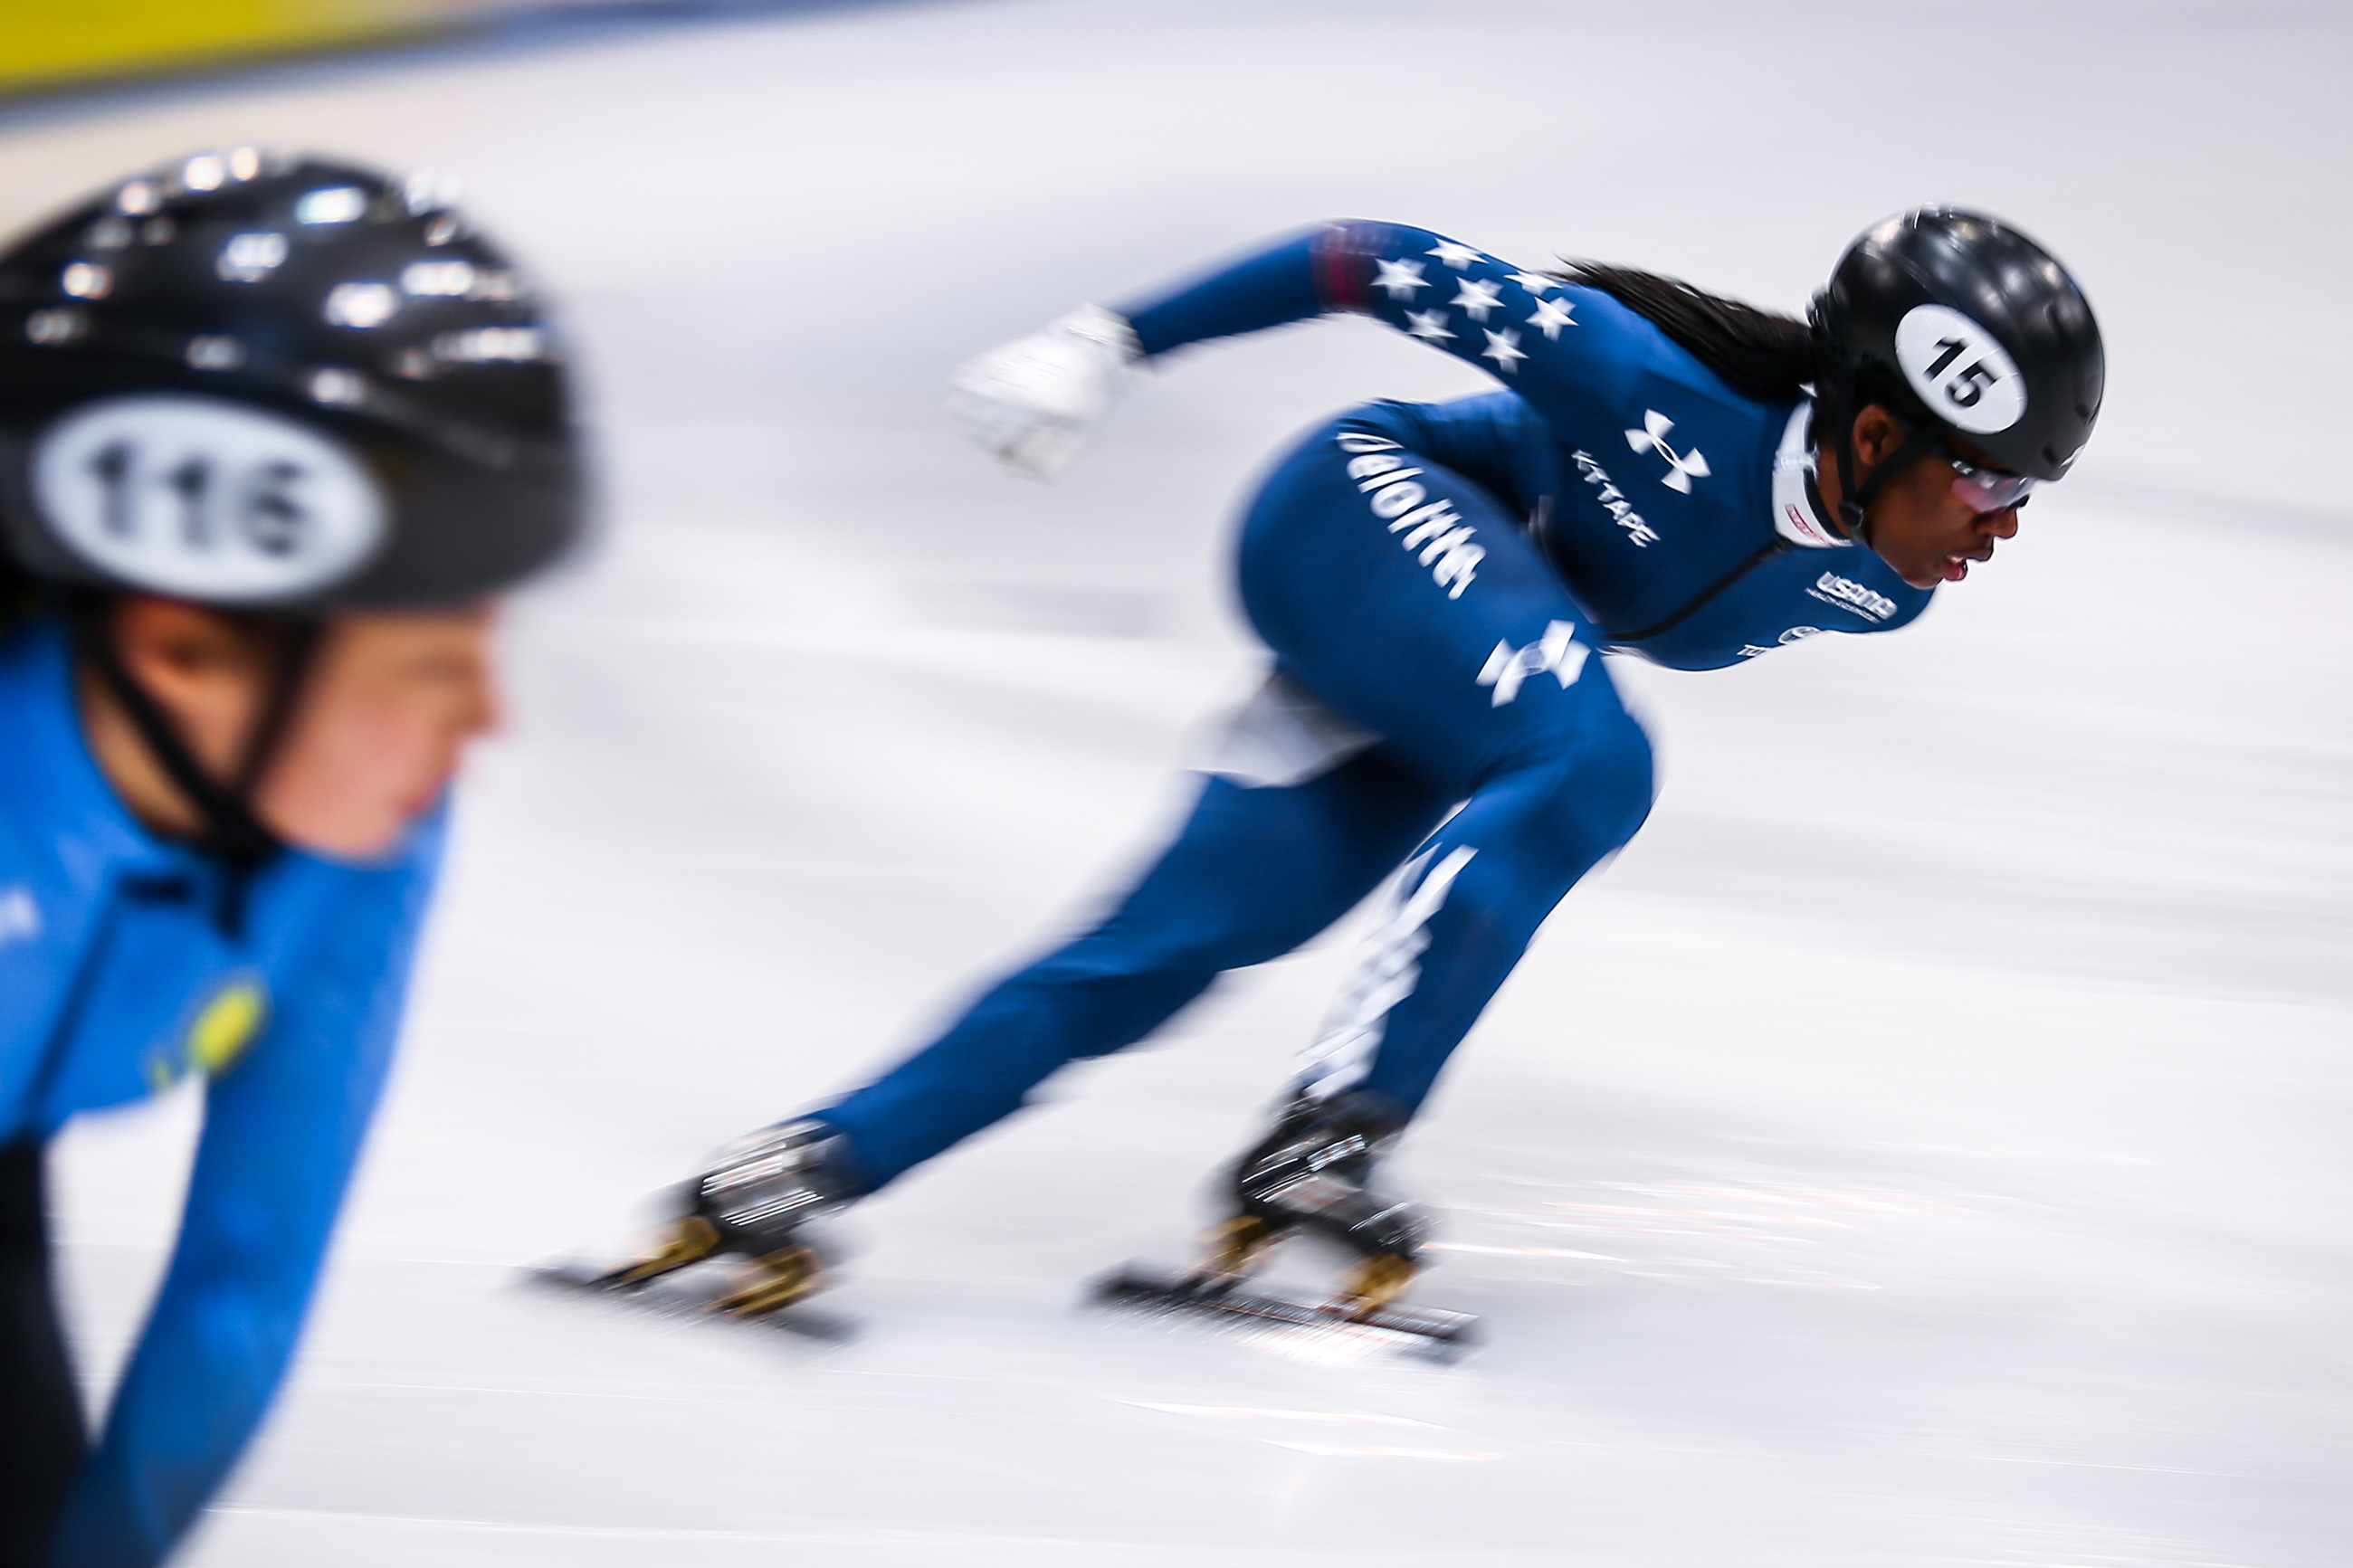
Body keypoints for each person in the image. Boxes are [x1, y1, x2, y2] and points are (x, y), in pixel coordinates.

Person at [593, 208, 2101, 1326]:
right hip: (1364, 507)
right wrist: (1108, 345)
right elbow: (1361, 260)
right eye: (1987, 475)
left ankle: (793, 1171)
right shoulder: (1641, 378)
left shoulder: (1878, 583)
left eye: (2033, 486)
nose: (2005, 523)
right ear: (1877, 425)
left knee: (1174, 944)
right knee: (1594, 759)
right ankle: (1330, 1137)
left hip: (1448, 646)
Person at [0, 149, 580, 1566]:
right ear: (182, 648)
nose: (484, 723)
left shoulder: (363, 824)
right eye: (430, 661)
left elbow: (245, 1275)